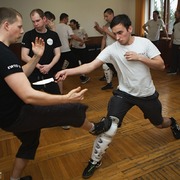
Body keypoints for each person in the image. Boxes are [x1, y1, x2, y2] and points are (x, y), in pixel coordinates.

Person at [55, 14, 180, 179]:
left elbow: (161, 65)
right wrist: (67, 71)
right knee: (110, 127)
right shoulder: (113, 48)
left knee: (159, 124)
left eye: (121, 32)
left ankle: (173, 122)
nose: (118, 37)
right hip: (124, 94)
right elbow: (90, 66)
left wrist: (140, 57)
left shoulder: (145, 43)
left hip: (146, 95)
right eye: (115, 33)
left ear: (130, 29)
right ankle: (95, 160)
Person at [0, 7, 112, 180]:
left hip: (7, 116)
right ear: (6, 25)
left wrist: (36, 57)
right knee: (70, 109)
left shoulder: (4, 52)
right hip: (16, 115)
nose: (22, 30)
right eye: (19, 26)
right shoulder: (4, 54)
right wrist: (65, 98)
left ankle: (14, 179)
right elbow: (28, 95)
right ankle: (95, 128)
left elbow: (19, 74)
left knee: (31, 140)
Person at [21, 9, 61, 95]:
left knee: (57, 99)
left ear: (44, 19)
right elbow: (24, 55)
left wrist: (49, 66)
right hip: (33, 74)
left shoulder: (53, 35)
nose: (35, 24)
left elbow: (57, 54)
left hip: (50, 73)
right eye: (33, 22)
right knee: (32, 102)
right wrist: (39, 66)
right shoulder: (28, 35)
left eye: (37, 20)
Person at [94, 8, 117, 90]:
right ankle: (109, 83)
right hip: (109, 49)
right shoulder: (107, 25)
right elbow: (104, 37)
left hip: (117, 50)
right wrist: (102, 50)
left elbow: (118, 38)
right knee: (105, 65)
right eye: (104, 17)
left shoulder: (117, 24)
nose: (105, 18)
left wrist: (107, 31)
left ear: (112, 14)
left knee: (118, 67)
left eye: (106, 16)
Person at [69, 19, 90, 84]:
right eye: (70, 25)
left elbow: (86, 37)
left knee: (81, 62)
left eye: (72, 25)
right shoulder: (71, 30)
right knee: (76, 62)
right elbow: (72, 38)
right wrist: (69, 45)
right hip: (74, 48)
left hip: (82, 48)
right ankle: (81, 75)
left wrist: (82, 42)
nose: (71, 26)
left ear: (75, 24)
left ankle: (83, 76)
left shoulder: (81, 29)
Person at [167, 9, 180, 75]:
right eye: (175, 14)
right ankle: (173, 70)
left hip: (179, 43)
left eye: (176, 14)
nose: (175, 15)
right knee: (174, 57)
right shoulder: (175, 23)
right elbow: (173, 33)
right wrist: (171, 42)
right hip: (175, 43)